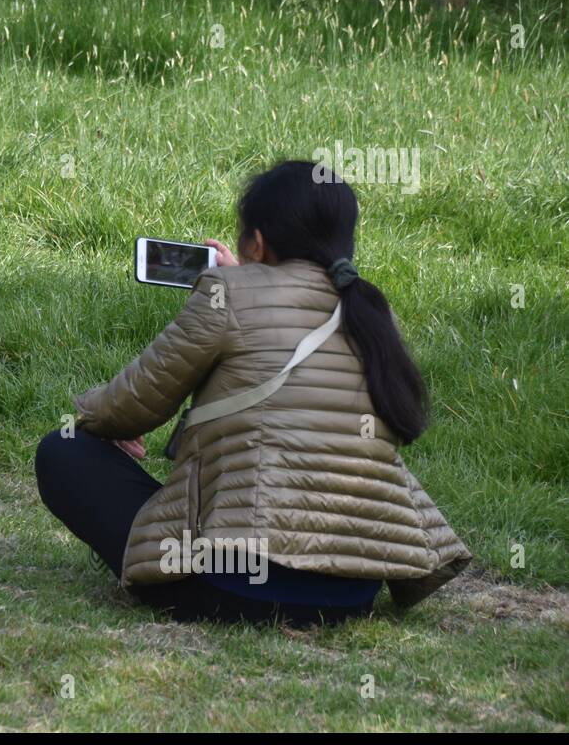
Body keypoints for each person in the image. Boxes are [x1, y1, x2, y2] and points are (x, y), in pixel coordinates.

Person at [35, 160, 472, 625]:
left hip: (237, 590)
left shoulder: (228, 292)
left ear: (257, 243)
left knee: (62, 451)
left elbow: (130, 403)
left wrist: (93, 423)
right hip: (350, 598)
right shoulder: (370, 314)